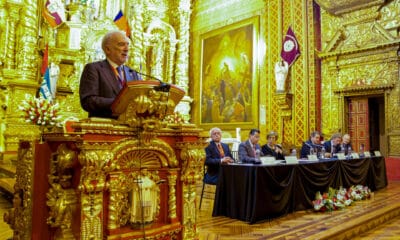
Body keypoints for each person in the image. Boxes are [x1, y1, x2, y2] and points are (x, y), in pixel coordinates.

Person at [79, 30, 142, 118]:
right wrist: (119, 103)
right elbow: (88, 101)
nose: (126, 49)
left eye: (127, 44)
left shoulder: (133, 73)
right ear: (108, 49)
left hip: (129, 127)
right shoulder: (94, 69)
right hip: (103, 127)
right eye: (121, 44)